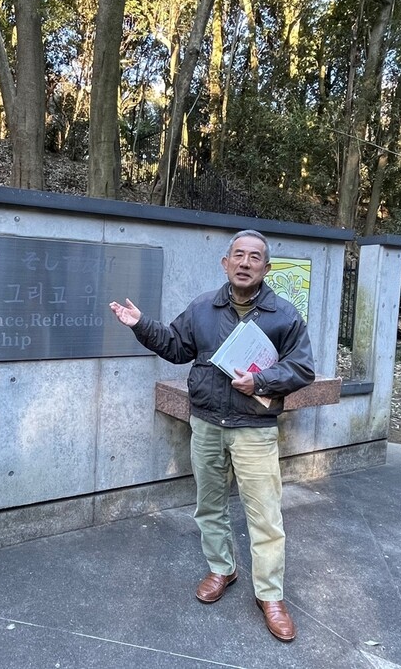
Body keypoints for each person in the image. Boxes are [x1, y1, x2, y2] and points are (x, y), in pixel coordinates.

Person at [109, 229, 314, 642]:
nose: (245, 262)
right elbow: (176, 346)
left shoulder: (285, 316)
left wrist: (260, 382)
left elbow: (303, 368)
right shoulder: (203, 307)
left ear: (266, 267)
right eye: (237, 255)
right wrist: (141, 325)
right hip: (206, 424)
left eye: (254, 257)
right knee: (210, 506)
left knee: (266, 516)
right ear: (225, 263)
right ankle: (222, 569)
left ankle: (270, 595)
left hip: (254, 429)